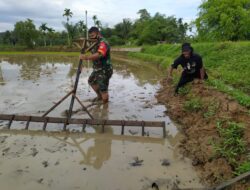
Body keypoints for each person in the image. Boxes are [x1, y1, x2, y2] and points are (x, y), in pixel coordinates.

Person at [79, 27, 113, 103]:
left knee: (103, 88)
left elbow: (100, 54)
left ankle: (105, 105)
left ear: (98, 33)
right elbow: (85, 48)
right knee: (91, 81)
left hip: (104, 69)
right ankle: (99, 96)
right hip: (97, 69)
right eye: (90, 36)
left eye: (93, 35)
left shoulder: (103, 42)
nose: (92, 37)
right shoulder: (93, 42)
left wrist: (86, 57)